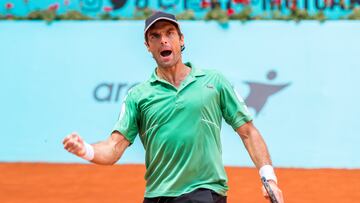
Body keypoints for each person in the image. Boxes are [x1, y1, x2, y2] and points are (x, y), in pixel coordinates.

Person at [63, 11, 284, 203]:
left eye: (170, 33)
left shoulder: (214, 82)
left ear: (181, 39)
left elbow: (248, 132)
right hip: (157, 195)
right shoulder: (138, 96)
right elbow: (113, 148)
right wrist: (86, 150)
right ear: (148, 46)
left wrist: (269, 179)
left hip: (204, 192)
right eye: (155, 36)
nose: (163, 40)